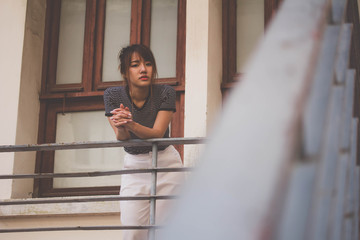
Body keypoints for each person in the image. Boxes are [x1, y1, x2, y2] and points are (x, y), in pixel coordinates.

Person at [103, 44, 183, 240]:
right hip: (134, 165)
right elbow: (122, 138)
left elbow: (157, 132)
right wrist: (122, 126)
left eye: (148, 64)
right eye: (135, 65)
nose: (143, 69)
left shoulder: (165, 92)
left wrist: (130, 124)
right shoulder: (113, 95)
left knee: (167, 231)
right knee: (133, 231)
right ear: (124, 71)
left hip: (166, 163)